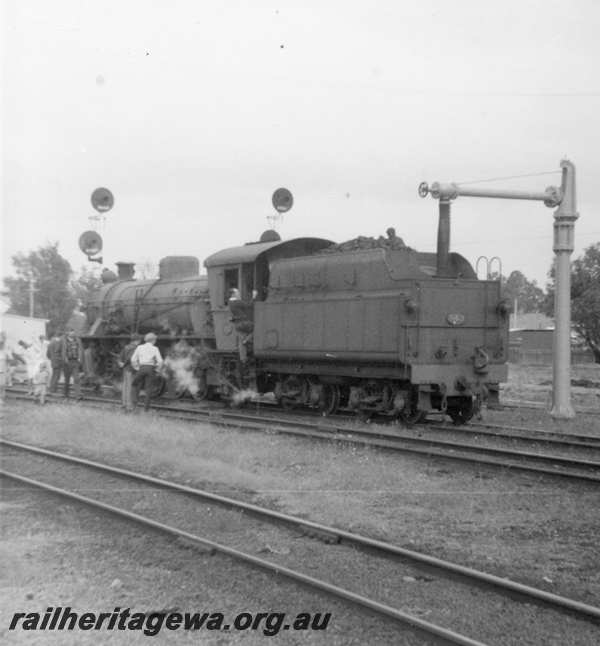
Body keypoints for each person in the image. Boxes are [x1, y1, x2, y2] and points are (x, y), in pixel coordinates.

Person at [130, 332, 163, 410]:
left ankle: (134, 405)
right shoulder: (155, 348)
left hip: (142, 368)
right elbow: (160, 361)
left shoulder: (139, 347)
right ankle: (146, 409)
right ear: (153, 340)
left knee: (134, 384)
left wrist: (137, 368)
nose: (155, 341)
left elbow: (133, 359)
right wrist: (157, 370)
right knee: (148, 389)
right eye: (155, 340)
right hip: (151, 369)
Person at [118, 334, 142, 411]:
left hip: (125, 370)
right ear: (136, 340)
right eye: (139, 340)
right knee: (130, 387)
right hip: (131, 370)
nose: (139, 342)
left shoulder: (126, 347)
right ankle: (129, 406)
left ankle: (124, 404)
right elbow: (131, 359)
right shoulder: (135, 348)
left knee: (125, 387)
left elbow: (120, 358)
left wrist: (121, 364)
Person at [60, 328, 83, 399]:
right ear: (68, 333)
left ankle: (78, 395)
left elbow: (80, 349)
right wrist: (64, 359)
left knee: (77, 379)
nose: (72, 334)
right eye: (71, 332)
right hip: (67, 362)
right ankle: (66, 394)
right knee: (67, 379)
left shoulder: (77, 340)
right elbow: (61, 351)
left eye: (73, 332)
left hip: (75, 362)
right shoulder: (63, 341)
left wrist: (79, 358)